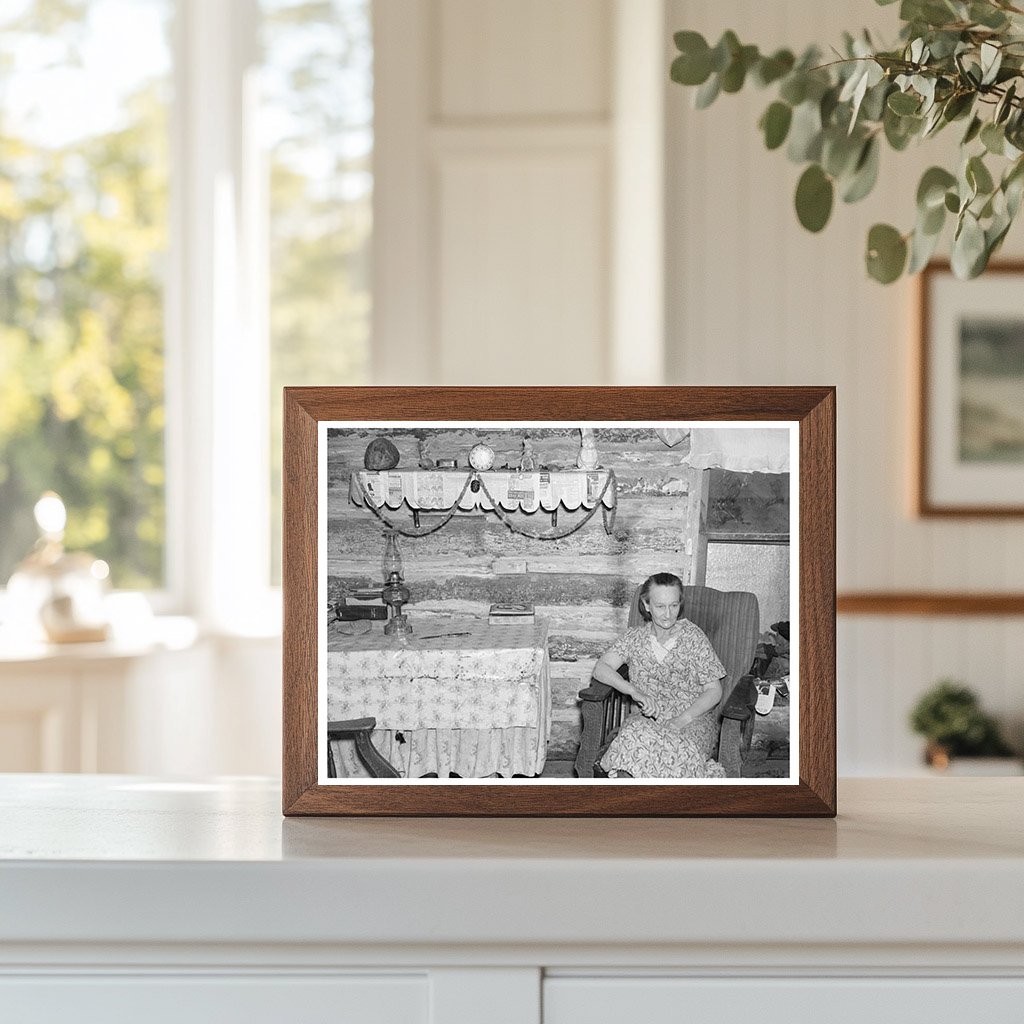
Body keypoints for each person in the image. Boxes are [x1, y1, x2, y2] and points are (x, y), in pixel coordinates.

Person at [592, 572, 727, 778]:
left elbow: (714, 690)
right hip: (645, 721)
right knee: (633, 739)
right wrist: (634, 692)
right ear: (646, 605)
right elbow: (601, 669)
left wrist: (682, 719)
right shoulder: (634, 638)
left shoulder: (694, 637)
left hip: (692, 721)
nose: (667, 614)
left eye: (674, 606)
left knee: (671, 753)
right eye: (660, 606)